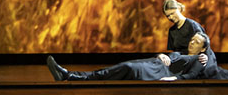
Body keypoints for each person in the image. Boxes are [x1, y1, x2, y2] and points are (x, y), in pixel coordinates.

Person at [46, 32, 210, 81]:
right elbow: (169, 58)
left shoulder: (200, 59)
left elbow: (192, 75)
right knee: (112, 71)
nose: (191, 43)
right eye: (192, 40)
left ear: (203, 48)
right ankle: (71, 75)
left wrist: (174, 80)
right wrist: (160, 54)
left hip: (155, 73)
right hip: (151, 64)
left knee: (123, 69)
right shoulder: (180, 53)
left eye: (196, 42)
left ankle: (71, 75)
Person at [163, 0, 228, 80]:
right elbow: (175, 50)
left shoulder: (192, 25)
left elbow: (203, 44)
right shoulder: (172, 31)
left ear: (178, 9)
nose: (170, 17)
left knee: (208, 75)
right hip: (185, 59)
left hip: (202, 57)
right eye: (168, 16)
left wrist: (203, 57)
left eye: (172, 13)